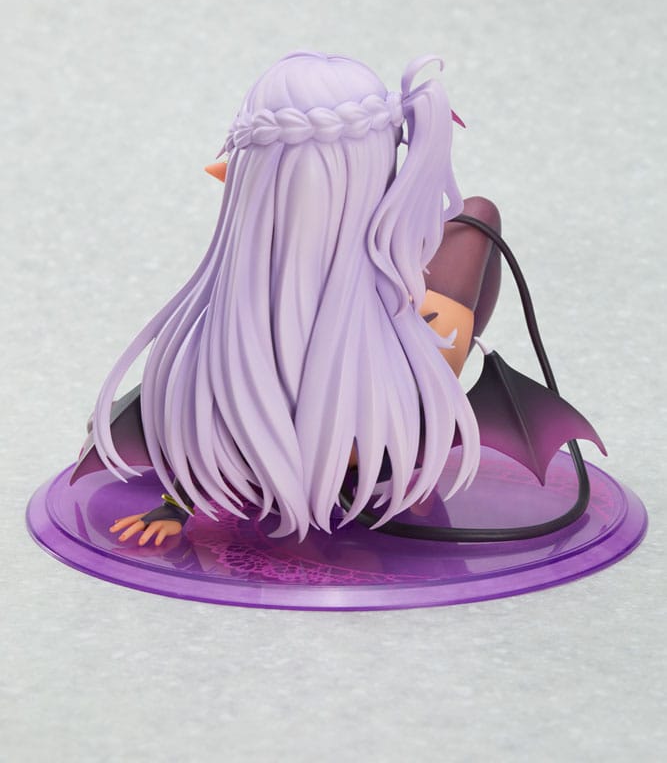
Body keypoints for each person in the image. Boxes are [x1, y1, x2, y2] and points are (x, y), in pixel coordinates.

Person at [83, 52, 500, 546]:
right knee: (479, 217)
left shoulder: (217, 348)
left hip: (384, 425)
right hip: (401, 415)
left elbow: (206, 420)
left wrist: (175, 506)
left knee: (476, 223)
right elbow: (478, 218)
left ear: (248, 179)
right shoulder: (429, 342)